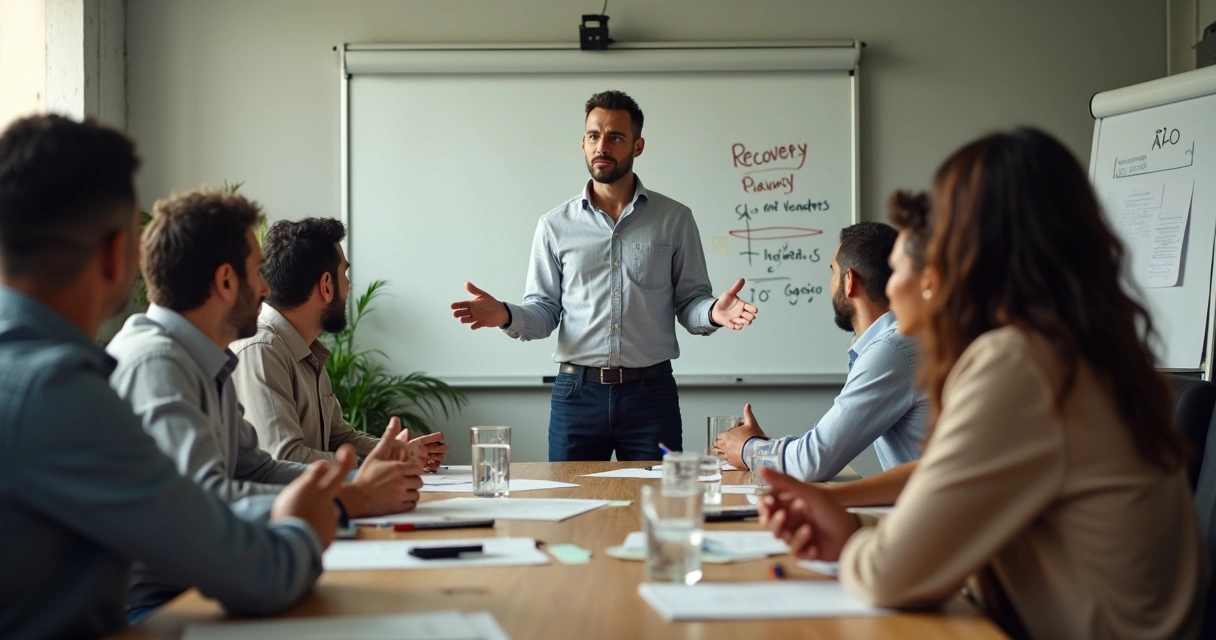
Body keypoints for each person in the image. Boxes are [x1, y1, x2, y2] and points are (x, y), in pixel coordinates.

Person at [758, 127, 1209, 639]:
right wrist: (848, 520)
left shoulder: (1018, 363)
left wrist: (849, 544)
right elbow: (947, 473)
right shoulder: (1073, 350)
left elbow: (889, 575)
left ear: (969, 246)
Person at [0, 115, 349, 638]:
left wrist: (342, 490)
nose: (266, 290)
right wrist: (307, 524)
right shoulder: (59, 389)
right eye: (258, 274)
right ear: (120, 255)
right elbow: (245, 567)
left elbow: (239, 479)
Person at [106, 189, 424, 618]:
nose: (266, 288)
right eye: (258, 273)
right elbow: (207, 499)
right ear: (224, 282)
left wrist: (357, 479)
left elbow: (254, 467)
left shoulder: (203, 356)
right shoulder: (158, 363)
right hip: (165, 603)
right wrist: (351, 498)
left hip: (206, 583)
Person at [450, 90, 758, 461]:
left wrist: (713, 313)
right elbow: (544, 311)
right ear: (582, 143)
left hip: (651, 396)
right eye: (594, 136)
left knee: (657, 505)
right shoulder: (554, 225)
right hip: (576, 396)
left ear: (637, 146)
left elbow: (690, 303)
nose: (602, 146)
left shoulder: (675, 220)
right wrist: (505, 314)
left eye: (615, 137)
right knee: (569, 509)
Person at [715, 221, 928, 482]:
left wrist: (747, 448)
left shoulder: (891, 350)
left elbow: (814, 460)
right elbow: (819, 454)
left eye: (833, 271)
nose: (831, 283)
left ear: (849, 281)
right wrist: (761, 446)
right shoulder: (902, 340)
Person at [231, 217, 450, 468]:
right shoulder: (262, 349)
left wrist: (398, 451)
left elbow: (340, 438)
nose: (349, 285)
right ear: (326, 285)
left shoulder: (307, 349)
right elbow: (285, 457)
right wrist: (378, 462)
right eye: (344, 273)